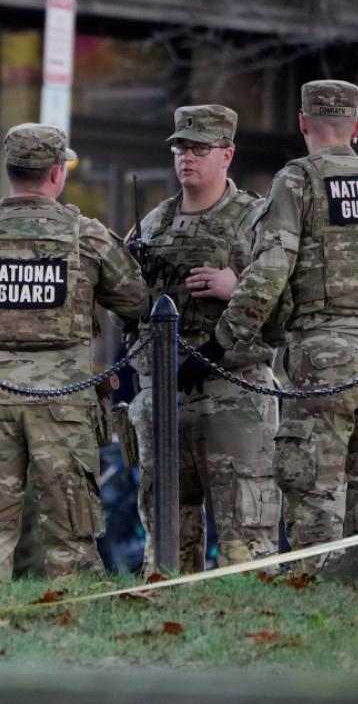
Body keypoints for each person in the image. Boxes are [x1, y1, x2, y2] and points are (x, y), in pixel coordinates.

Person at [0, 124, 148, 583]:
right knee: (70, 536)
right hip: (61, 407)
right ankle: (71, 635)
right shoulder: (88, 235)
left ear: (10, 171)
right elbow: (137, 300)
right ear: (57, 173)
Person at [206, 80, 358, 576]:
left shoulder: (299, 179)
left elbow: (269, 271)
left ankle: (314, 601)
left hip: (324, 357)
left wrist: (224, 339)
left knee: (315, 495)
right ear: (357, 127)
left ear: (303, 122)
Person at [124, 105, 281, 574]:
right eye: (180, 147)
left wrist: (239, 286)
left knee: (246, 539)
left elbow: (287, 302)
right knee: (167, 537)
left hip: (233, 395)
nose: (186, 157)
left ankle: (255, 634)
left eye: (199, 148)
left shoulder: (255, 219)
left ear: (227, 154)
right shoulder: (154, 224)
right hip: (166, 398)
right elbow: (128, 313)